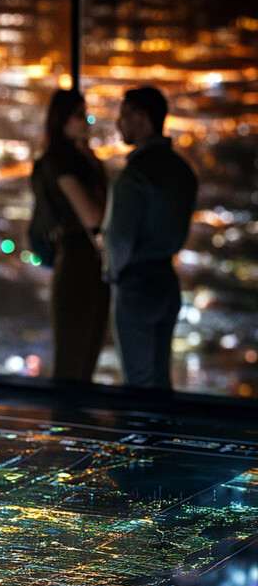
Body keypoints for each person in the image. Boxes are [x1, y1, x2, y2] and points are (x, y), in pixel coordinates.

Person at [102, 86, 198, 389]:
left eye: (124, 115)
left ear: (141, 118)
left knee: (139, 383)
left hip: (136, 283)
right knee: (160, 379)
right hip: (168, 281)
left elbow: (120, 240)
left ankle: (144, 437)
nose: (119, 124)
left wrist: (113, 273)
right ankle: (163, 435)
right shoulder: (183, 171)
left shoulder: (134, 175)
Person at [34, 88, 109, 381]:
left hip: (88, 264)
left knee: (84, 356)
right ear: (61, 119)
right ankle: (67, 424)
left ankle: (75, 423)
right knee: (73, 359)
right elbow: (93, 216)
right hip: (78, 263)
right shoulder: (61, 163)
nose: (86, 122)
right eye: (79, 115)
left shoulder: (76, 159)